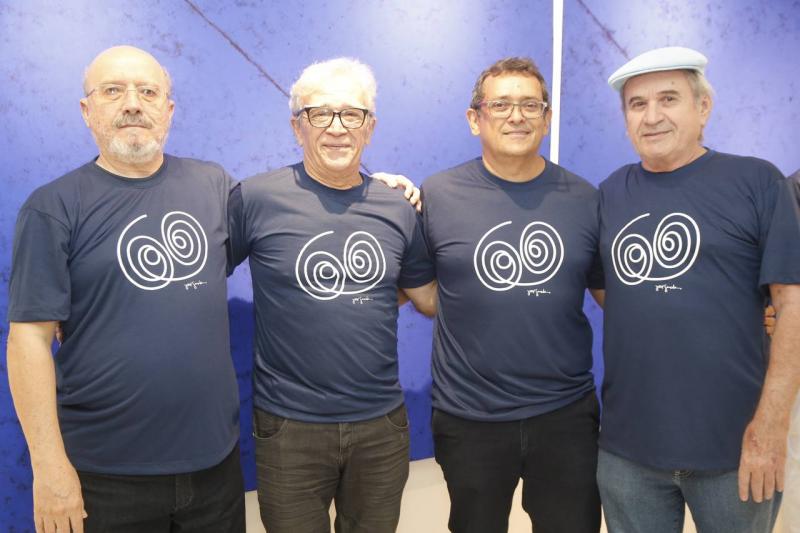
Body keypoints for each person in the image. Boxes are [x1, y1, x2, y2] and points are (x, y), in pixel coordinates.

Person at [6, 46, 244, 533]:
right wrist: (50, 470)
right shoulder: (52, 207)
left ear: (168, 110)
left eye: (148, 92)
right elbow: (28, 339)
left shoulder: (214, 185)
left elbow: (290, 225)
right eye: (113, 90)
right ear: (86, 109)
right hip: (104, 479)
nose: (133, 104)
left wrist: (369, 187)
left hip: (215, 467)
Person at [228, 57, 436, 533]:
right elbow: (197, 277)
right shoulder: (255, 198)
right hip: (289, 428)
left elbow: (426, 298)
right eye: (321, 113)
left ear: (370, 127)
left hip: (381, 427)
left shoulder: (398, 207)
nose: (338, 127)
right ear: (297, 126)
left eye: (352, 114)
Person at [597, 46, 800, 532]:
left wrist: (772, 426)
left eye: (668, 99)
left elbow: (791, 303)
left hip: (736, 449)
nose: (652, 116)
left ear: (703, 107)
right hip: (627, 453)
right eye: (637, 104)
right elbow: (609, 292)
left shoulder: (757, 181)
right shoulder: (609, 193)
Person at [419, 57, 603, 532]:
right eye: (500, 104)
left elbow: (613, 295)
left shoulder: (586, 199)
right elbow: (425, 296)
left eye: (530, 105)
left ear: (547, 117)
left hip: (565, 416)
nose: (516, 116)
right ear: (474, 118)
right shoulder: (437, 195)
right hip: (469, 419)